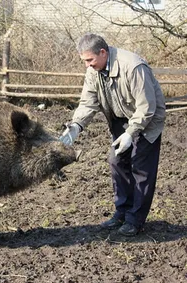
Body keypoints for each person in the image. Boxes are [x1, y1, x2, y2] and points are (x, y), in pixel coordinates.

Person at [60, 33, 166, 236]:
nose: (87, 65)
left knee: (141, 168)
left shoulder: (133, 67)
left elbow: (146, 107)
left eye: (90, 60)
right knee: (116, 161)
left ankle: (136, 219)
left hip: (146, 120)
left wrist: (131, 133)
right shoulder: (94, 70)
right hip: (119, 118)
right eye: (84, 61)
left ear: (103, 52)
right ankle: (122, 211)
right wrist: (76, 126)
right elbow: (88, 102)